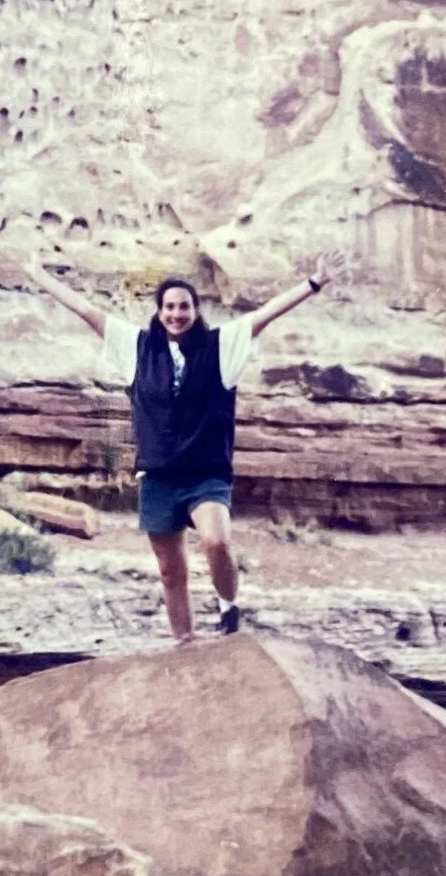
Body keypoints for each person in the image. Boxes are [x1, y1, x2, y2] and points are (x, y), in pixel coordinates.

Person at [24, 255, 336, 641]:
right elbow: (88, 312)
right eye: (169, 307)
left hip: (206, 473)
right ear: (158, 313)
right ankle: (184, 645)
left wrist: (314, 283)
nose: (176, 314)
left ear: (195, 310)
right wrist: (41, 278)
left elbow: (264, 315)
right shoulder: (137, 348)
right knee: (172, 571)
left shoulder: (220, 345)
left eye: (184, 306)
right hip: (158, 477)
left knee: (216, 541)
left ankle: (228, 606)